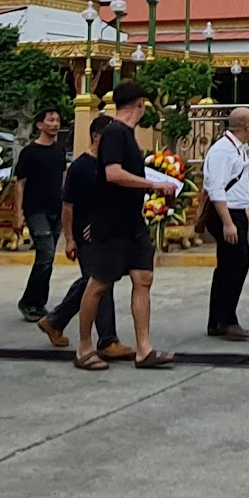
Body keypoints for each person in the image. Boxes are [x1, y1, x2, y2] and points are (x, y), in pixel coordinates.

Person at [72, 81, 172, 371]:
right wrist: (152, 184)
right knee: (98, 284)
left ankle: (144, 349)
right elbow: (113, 174)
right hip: (111, 221)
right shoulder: (115, 132)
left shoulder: (127, 134)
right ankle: (84, 347)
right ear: (140, 103)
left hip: (132, 221)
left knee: (143, 278)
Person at [38, 114, 128, 361]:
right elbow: (68, 206)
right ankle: (107, 340)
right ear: (96, 137)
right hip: (86, 233)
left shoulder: (113, 166)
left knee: (93, 281)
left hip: (108, 231)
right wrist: (69, 239)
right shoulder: (80, 167)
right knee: (100, 281)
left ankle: (55, 320)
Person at [203, 107, 249, 341]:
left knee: (228, 265)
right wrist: (228, 223)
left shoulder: (237, 148)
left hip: (236, 212)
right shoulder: (222, 151)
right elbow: (215, 188)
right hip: (227, 214)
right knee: (237, 263)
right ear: (247, 125)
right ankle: (226, 319)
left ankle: (218, 320)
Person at [15, 106, 67, 322]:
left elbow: (62, 178)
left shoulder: (60, 150)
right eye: (50, 120)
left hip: (56, 208)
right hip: (36, 209)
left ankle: (38, 302)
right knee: (45, 255)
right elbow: (20, 184)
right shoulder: (30, 152)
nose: (55, 124)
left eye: (57, 120)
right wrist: (18, 214)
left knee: (47, 258)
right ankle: (29, 302)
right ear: (39, 125)